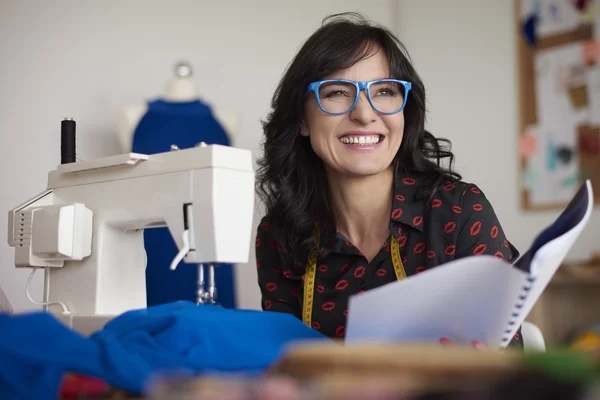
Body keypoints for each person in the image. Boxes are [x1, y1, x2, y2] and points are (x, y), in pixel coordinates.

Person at [254, 12, 523, 349]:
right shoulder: (280, 236)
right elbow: (283, 367)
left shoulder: (459, 214)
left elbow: (505, 358)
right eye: (337, 92)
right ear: (301, 119)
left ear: (404, 111)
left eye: (384, 91)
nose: (364, 114)